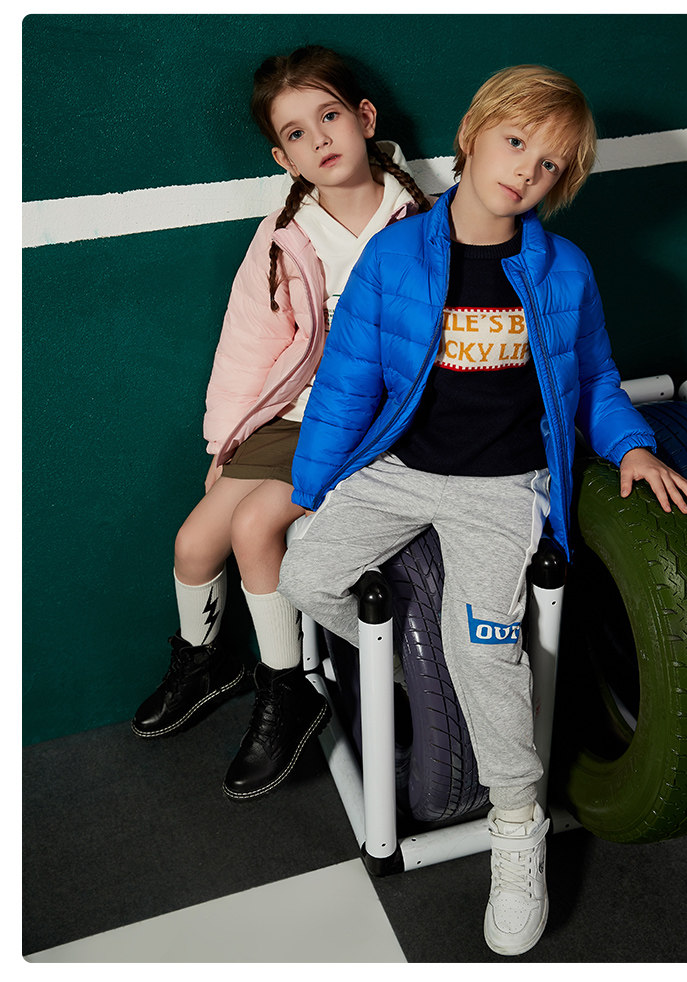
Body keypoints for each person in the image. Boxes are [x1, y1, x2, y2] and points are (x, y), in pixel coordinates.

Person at [278, 64, 687, 956]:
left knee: (484, 646)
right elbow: (347, 383)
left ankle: (517, 827)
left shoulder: (562, 269)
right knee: (305, 576)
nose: (525, 172)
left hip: (503, 488)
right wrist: (312, 489)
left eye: (550, 165)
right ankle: (419, 673)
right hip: (399, 468)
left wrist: (632, 446)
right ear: (472, 137)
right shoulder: (396, 256)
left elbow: (593, 378)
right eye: (515, 144)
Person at [131, 45, 431, 804]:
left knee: (255, 525)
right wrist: (228, 440)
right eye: (297, 133)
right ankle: (208, 664)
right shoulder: (286, 232)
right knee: (193, 541)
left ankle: (287, 685)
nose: (319, 139)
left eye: (330, 116)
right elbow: (249, 344)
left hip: (366, 422)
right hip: (290, 413)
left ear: (365, 118)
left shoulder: (422, 219)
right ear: (283, 157)